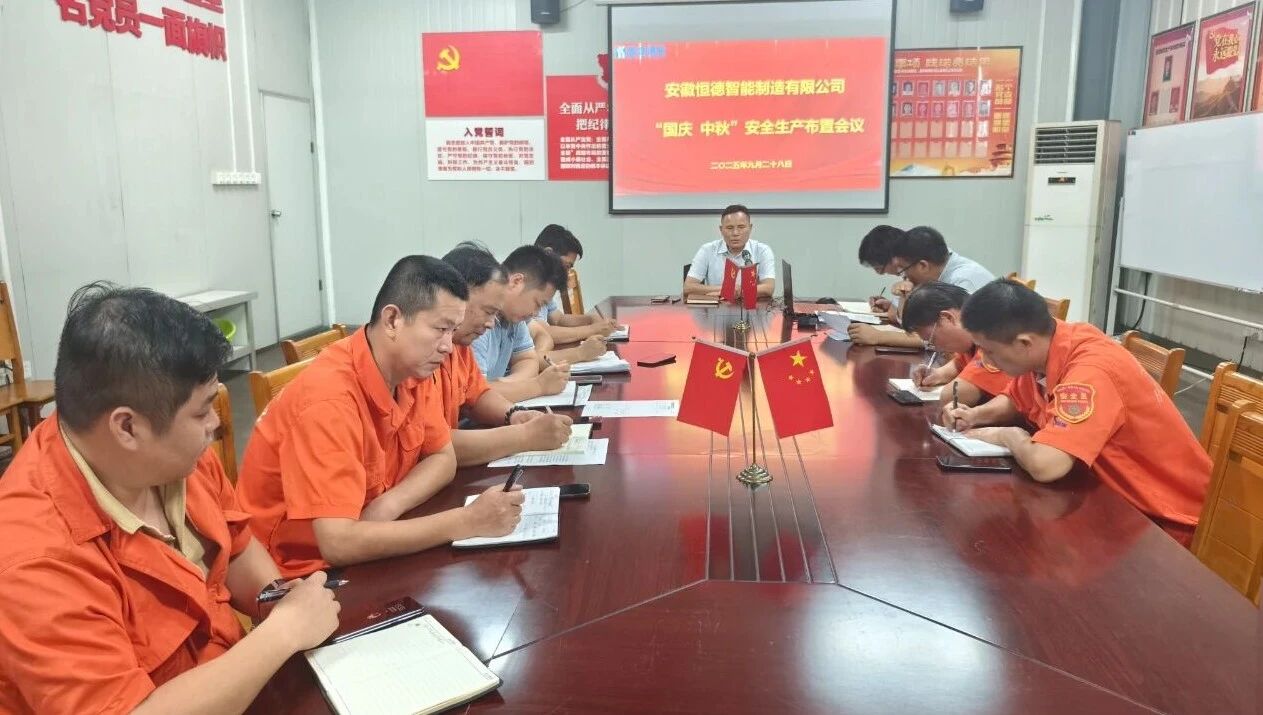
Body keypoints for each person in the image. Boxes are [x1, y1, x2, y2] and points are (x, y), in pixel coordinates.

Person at [0, 283, 341, 713]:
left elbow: (235, 547)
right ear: (127, 428)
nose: (216, 423)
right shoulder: (33, 559)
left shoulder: (174, 458)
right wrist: (283, 633)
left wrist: (277, 600)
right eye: (201, 411)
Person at [237, 256, 526, 578]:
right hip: (301, 575)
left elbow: (443, 457)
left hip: (372, 538)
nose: (448, 347)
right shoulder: (328, 400)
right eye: (440, 329)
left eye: (453, 331)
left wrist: (386, 506)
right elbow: (338, 543)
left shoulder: (411, 370)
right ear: (392, 320)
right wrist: (466, 521)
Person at [943, 279, 1210, 547]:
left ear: (1025, 343)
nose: (985, 360)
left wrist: (1008, 436)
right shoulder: (1051, 344)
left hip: (1162, 523)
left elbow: (1047, 465)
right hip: (1106, 497)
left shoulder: (1090, 372)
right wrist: (975, 416)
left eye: (990, 351)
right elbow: (1016, 400)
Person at [441, 242, 573, 466]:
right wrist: (525, 436)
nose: (491, 323)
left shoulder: (460, 344)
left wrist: (514, 414)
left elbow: (477, 395)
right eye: (488, 311)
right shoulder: (426, 352)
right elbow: (435, 446)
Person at [850, 225, 995, 346]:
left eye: (903, 270)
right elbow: (906, 320)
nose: (903, 276)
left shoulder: (963, 281)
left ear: (922, 266)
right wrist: (904, 297)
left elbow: (953, 338)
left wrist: (880, 337)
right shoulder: (933, 271)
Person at [472, 244, 572, 403]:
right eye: (537, 303)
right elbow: (476, 394)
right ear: (516, 281)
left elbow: (527, 360)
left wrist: (502, 385)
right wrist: (538, 386)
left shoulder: (515, 318)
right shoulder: (478, 322)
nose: (536, 313)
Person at [900, 281, 1012, 407]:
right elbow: (960, 362)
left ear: (947, 318)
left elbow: (953, 397)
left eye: (933, 340)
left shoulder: (993, 336)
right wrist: (938, 374)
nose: (936, 348)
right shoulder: (973, 335)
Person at [529, 224, 618, 365]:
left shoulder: (545, 283)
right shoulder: (527, 284)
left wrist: (590, 319)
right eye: (566, 266)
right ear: (548, 253)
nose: (566, 274)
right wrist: (591, 330)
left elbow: (557, 319)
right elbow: (544, 332)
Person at [683, 204, 775, 299]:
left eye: (741, 227)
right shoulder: (707, 250)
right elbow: (688, 288)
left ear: (750, 228)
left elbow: (768, 288)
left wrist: (736, 292)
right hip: (717, 307)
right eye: (729, 228)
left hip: (751, 306)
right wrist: (726, 289)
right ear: (721, 229)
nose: (735, 233)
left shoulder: (762, 250)